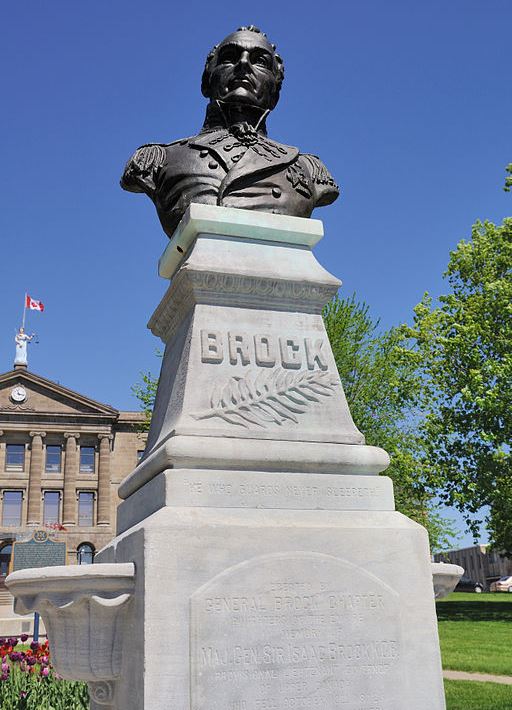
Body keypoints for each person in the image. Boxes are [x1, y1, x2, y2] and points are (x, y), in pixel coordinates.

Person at [121, 26, 339, 238]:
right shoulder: (160, 159)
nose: (243, 64)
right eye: (229, 57)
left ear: (275, 92)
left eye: (260, 61)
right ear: (206, 81)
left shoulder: (306, 168)